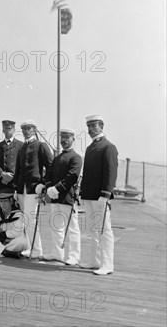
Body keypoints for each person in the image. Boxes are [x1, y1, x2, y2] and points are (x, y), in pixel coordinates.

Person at [79, 115, 118, 276]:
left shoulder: (108, 147)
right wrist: (82, 192)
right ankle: (94, 260)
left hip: (100, 196)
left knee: (104, 230)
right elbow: (87, 173)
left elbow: (111, 173)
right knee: (93, 230)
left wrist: (105, 195)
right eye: (88, 126)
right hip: (89, 195)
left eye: (94, 126)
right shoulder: (90, 148)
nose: (90, 130)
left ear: (101, 126)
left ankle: (107, 264)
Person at [13, 120, 54, 259]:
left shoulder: (41, 146)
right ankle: (30, 248)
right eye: (23, 129)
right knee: (26, 220)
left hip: (33, 188)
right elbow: (18, 170)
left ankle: (37, 251)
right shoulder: (22, 148)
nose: (26, 131)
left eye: (29, 129)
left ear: (34, 129)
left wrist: (43, 184)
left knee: (31, 220)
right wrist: (16, 188)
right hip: (22, 189)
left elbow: (51, 167)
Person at [44, 128, 82, 265]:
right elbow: (48, 174)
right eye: (62, 138)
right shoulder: (57, 158)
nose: (64, 141)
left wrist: (56, 188)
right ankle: (57, 253)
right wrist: (49, 187)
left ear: (73, 139)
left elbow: (72, 176)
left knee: (72, 228)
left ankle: (74, 256)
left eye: (67, 138)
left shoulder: (76, 157)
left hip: (68, 197)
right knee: (56, 226)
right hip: (55, 197)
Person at [0, 120, 24, 201]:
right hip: (1, 181)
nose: (7, 130)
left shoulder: (21, 145)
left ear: (14, 130)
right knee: (1, 206)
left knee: (15, 207)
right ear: (2, 130)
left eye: (9, 128)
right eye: (5, 128)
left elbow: (22, 164)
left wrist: (12, 175)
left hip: (14, 182)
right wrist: (2, 174)